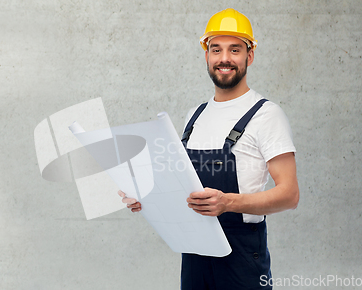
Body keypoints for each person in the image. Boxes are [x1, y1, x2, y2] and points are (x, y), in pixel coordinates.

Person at [119, 8, 299, 289]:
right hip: (194, 256)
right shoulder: (195, 116)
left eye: (235, 50)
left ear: (249, 56)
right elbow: (183, 188)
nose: (224, 58)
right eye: (216, 49)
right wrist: (148, 199)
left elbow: (289, 195)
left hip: (242, 258)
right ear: (206, 55)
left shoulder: (266, 114)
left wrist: (228, 202)